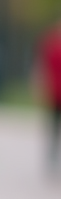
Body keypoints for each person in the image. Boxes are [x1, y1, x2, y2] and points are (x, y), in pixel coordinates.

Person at [37, 18, 61, 174]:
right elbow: (43, 66)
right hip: (54, 92)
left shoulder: (50, 41)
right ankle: (52, 157)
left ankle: (52, 157)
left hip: (53, 91)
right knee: (53, 127)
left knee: (53, 127)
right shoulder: (50, 42)